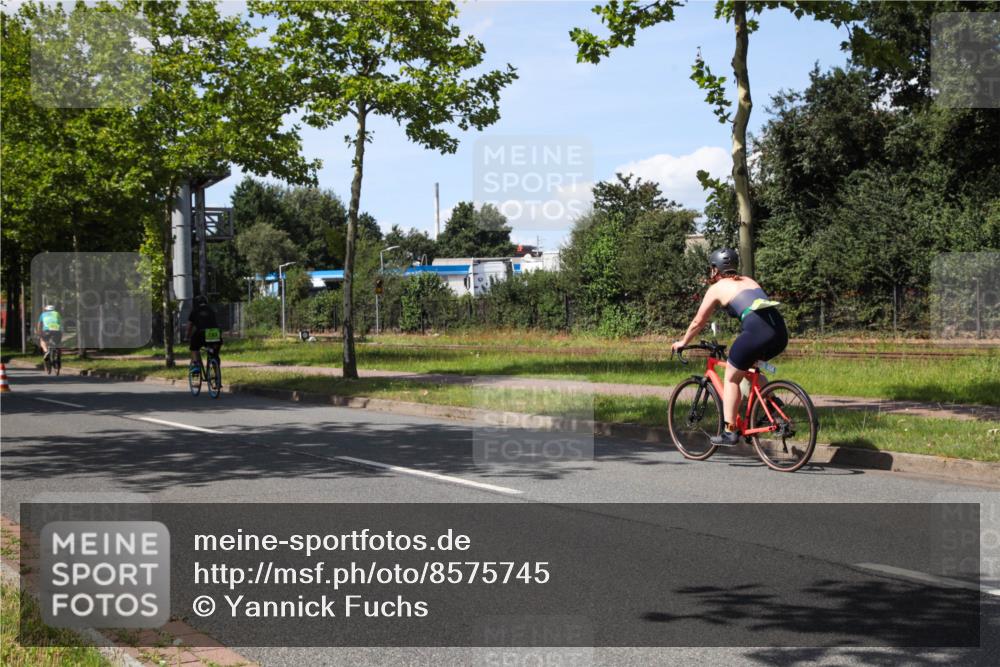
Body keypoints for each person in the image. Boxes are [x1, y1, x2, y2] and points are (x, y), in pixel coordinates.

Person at [671, 248, 788, 446]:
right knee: (751, 368)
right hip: (779, 332)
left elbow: (698, 322)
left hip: (757, 331)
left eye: (712, 269)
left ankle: (730, 431)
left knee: (731, 378)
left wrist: (683, 342)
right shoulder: (749, 281)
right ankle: (773, 407)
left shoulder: (717, 288)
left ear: (716, 270)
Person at [186, 295, 221, 369]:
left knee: (194, 347)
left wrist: (187, 336)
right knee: (214, 349)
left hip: (201, 333)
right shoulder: (212, 310)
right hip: (215, 333)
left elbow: (190, 326)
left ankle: (195, 365)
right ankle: (215, 363)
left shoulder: (194, 311)